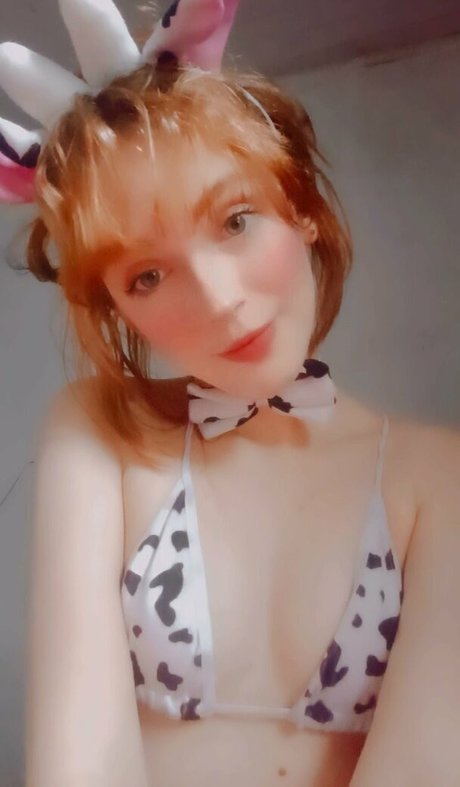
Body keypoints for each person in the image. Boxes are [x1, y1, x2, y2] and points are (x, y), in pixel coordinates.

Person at [1, 1, 459, 785]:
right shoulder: (100, 429)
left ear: (300, 208)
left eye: (236, 220)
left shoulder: (438, 475)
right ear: (118, 308)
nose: (216, 300)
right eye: (148, 275)